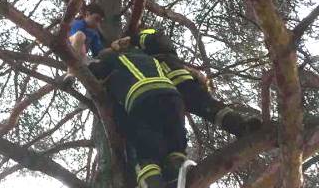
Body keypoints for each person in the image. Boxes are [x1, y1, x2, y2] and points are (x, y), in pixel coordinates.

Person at [88, 46, 188, 188]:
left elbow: (93, 71)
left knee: (144, 151)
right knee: (175, 144)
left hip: (143, 99)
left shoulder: (114, 59)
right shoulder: (151, 58)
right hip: (173, 98)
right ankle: (176, 172)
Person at [112, 29, 262, 138]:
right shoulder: (154, 51)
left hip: (170, 92)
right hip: (175, 90)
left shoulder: (147, 49)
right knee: (207, 108)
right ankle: (240, 126)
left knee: (208, 109)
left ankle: (240, 126)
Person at [62, 3, 105, 85]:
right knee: (80, 35)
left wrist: (114, 48)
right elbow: (76, 39)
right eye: (96, 19)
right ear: (88, 14)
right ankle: (70, 73)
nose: (97, 23)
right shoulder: (77, 23)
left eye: (100, 21)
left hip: (81, 56)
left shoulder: (94, 33)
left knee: (102, 63)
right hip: (67, 48)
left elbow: (99, 51)